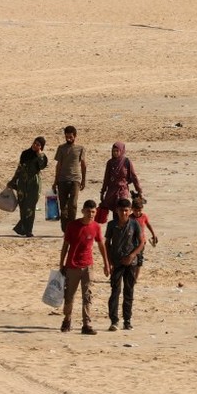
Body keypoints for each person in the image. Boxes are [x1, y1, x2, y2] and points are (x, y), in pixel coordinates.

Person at [58, 199, 109, 335]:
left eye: (93, 212)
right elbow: (65, 246)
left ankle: (86, 324)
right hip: (72, 266)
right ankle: (67, 319)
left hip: (88, 266)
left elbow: (101, 245)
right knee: (69, 295)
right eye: (88, 211)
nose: (90, 214)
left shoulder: (96, 227)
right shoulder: (72, 226)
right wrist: (61, 263)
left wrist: (106, 264)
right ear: (82, 211)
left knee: (87, 296)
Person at [105, 197, 143, 332]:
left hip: (131, 263)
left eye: (126, 210)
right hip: (116, 263)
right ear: (117, 210)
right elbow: (107, 244)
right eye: (121, 210)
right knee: (115, 291)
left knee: (129, 292)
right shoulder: (111, 225)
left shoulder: (134, 224)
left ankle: (127, 320)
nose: (124, 213)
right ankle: (114, 321)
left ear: (130, 210)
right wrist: (108, 263)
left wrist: (132, 256)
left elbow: (141, 242)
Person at [9, 137, 47, 238]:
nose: (35, 145)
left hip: (34, 184)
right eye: (35, 143)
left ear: (41, 147)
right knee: (23, 206)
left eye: (38, 144)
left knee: (30, 207)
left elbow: (42, 166)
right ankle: (23, 229)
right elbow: (20, 168)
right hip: (22, 183)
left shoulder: (42, 156)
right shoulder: (25, 153)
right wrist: (13, 180)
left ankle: (28, 230)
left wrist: (39, 154)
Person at [52, 125, 87, 232]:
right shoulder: (61, 148)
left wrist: (84, 180)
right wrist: (55, 181)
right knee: (63, 207)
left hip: (75, 180)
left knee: (73, 205)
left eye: (70, 137)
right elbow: (59, 165)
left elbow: (83, 165)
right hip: (62, 180)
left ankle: (72, 228)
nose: (68, 139)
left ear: (75, 136)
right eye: (67, 137)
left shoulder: (80, 149)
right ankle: (65, 230)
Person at [99, 141, 142, 212]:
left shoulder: (127, 162)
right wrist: (103, 191)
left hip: (123, 190)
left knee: (123, 208)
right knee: (115, 211)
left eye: (117, 151)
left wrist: (139, 190)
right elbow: (106, 178)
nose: (115, 153)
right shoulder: (110, 163)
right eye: (113, 151)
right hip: (112, 190)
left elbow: (134, 176)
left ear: (121, 151)